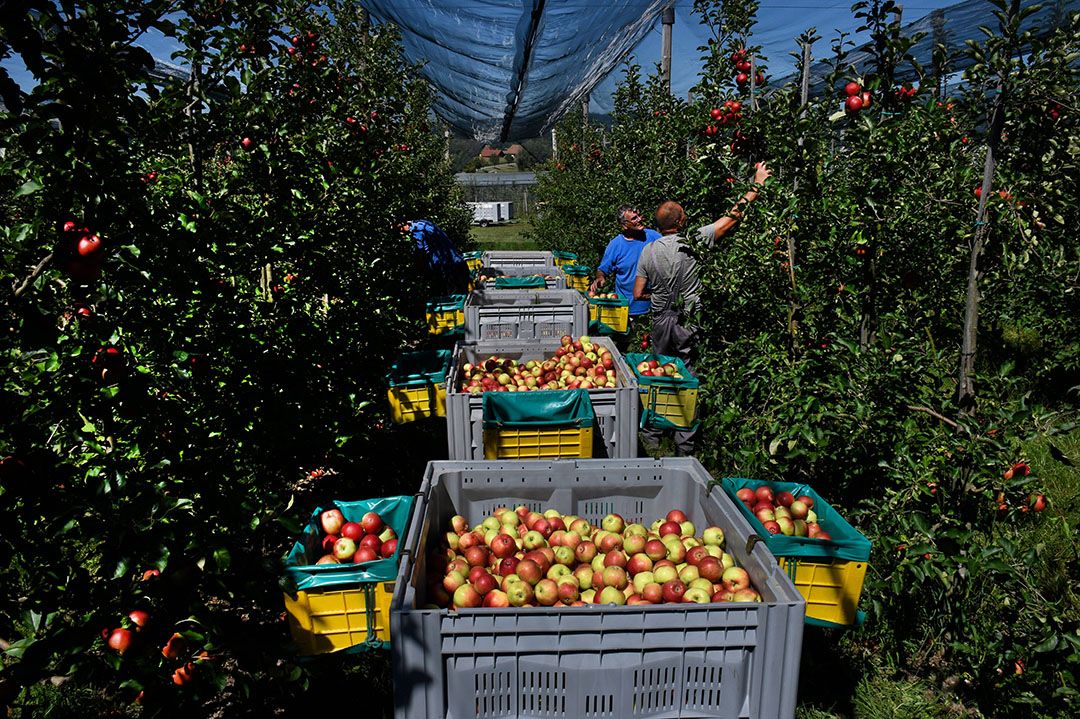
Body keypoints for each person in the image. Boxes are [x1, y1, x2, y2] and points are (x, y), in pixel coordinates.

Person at [633, 162, 772, 455]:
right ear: (681, 221)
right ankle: (685, 442)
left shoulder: (648, 250)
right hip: (687, 320)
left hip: (660, 321)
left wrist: (658, 295)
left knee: (659, 372)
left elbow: (638, 292)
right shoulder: (693, 240)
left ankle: (653, 433)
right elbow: (732, 217)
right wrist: (757, 185)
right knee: (688, 378)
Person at [589, 206, 661, 341]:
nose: (639, 219)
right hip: (627, 308)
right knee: (630, 344)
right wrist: (600, 278)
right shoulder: (616, 245)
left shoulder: (653, 237)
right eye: (634, 218)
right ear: (624, 225)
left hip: (653, 303)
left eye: (639, 216)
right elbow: (603, 268)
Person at [404, 219, 470, 295]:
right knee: (463, 293)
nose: (401, 232)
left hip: (448, 267)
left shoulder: (418, 231)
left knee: (453, 295)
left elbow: (422, 251)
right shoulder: (423, 223)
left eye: (400, 229)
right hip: (457, 261)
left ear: (404, 224)